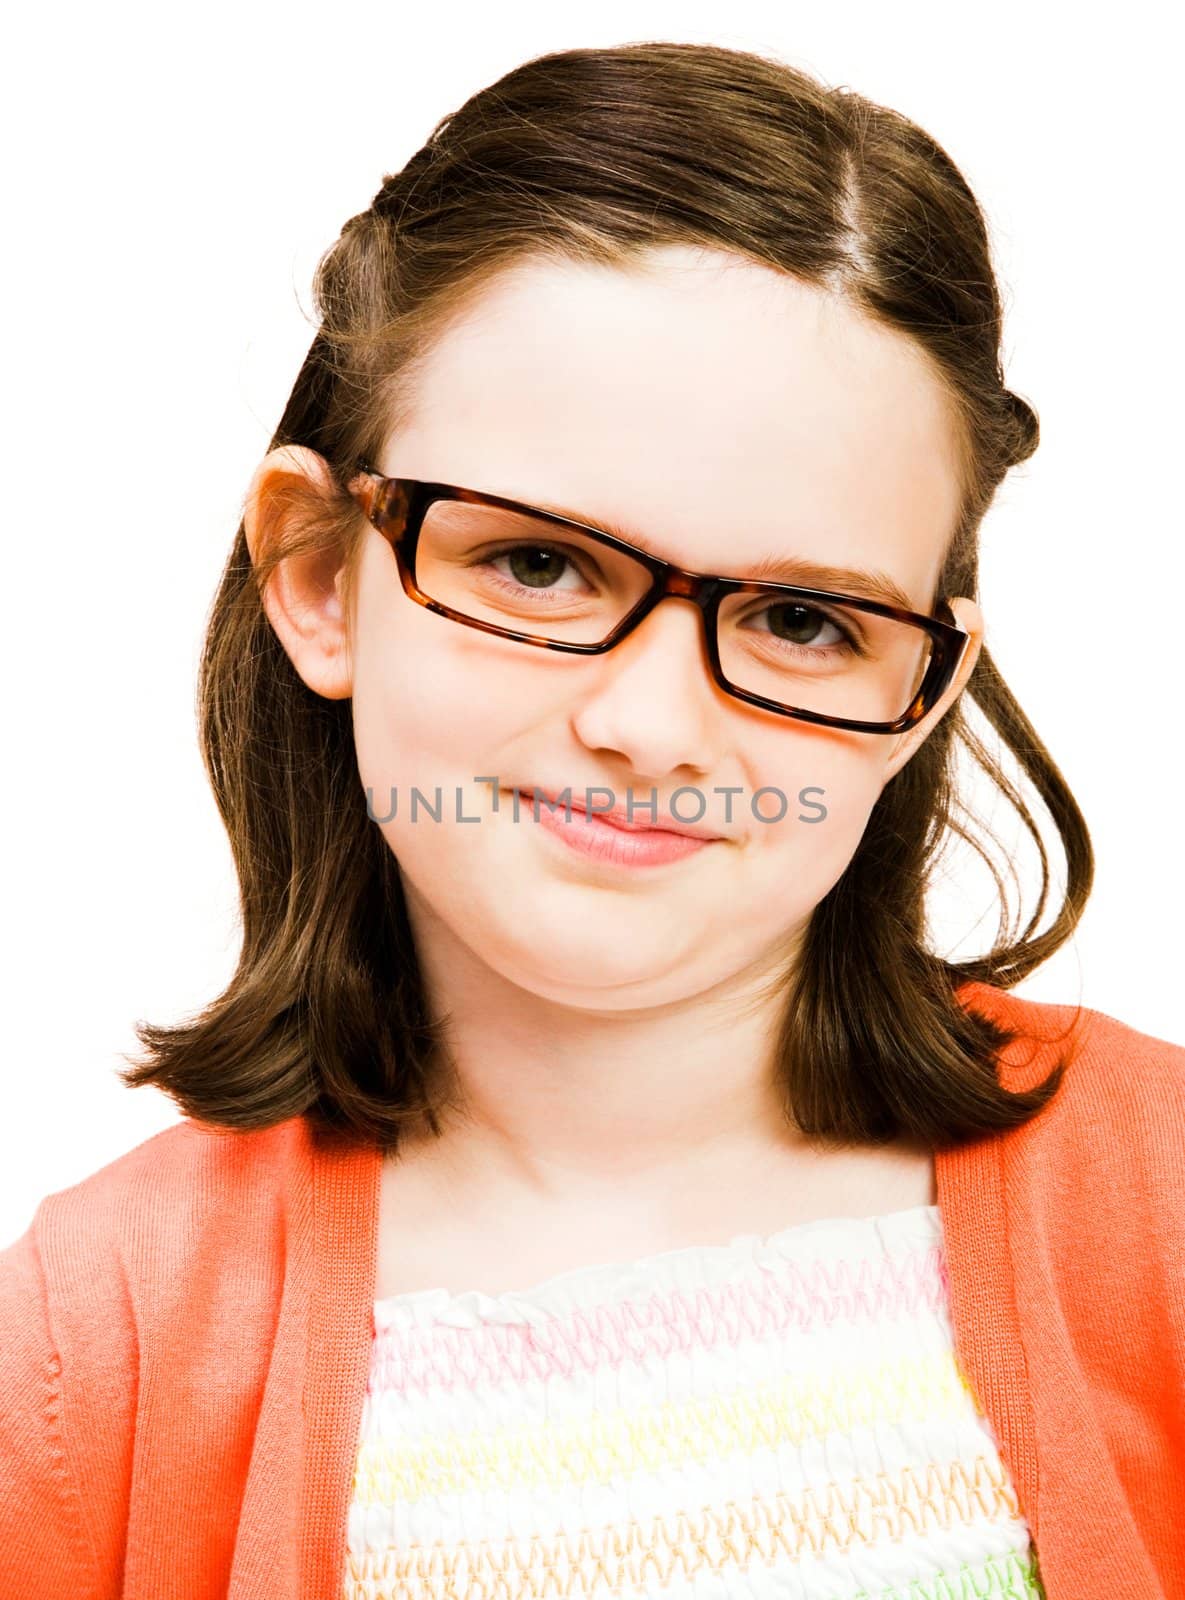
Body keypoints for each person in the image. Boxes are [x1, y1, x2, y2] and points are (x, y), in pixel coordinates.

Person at [2, 39, 1182, 1600]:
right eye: (540, 566)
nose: (647, 727)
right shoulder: (95, 1346)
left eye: (803, 621)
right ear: (313, 573)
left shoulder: (1163, 1202)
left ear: (921, 688)